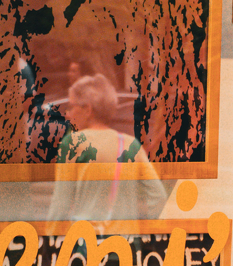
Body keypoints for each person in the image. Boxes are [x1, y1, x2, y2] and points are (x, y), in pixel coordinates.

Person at [48, 72, 165, 221]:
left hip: (88, 234)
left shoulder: (73, 143)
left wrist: (51, 233)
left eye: (71, 106)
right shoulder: (132, 145)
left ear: (88, 110)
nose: (68, 114)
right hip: (126, 235)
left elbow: (60, 205)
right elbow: (159, 197)